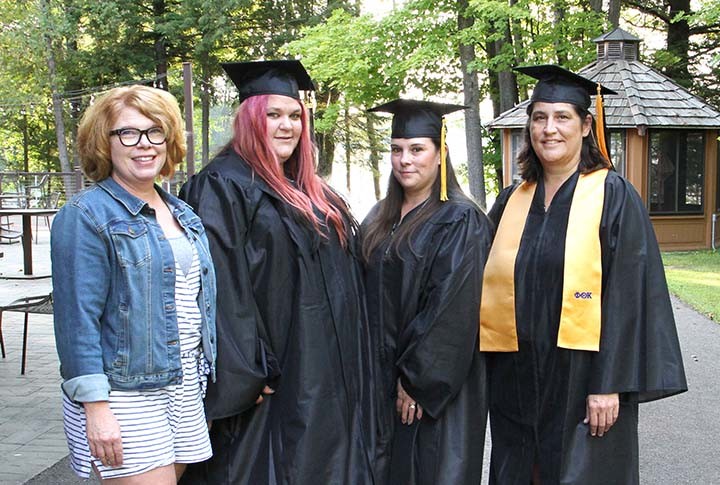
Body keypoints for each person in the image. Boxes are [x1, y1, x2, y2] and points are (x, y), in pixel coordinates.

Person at [480, 64, 688, 485]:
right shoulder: (510, 202)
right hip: (516, 383)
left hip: (582, 382)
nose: (549, 129)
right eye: (540, 117)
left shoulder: (612, 196)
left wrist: (609, 384)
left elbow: (629, 296)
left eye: (562, 118)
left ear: (586, 124)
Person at [178, 60, 375, 485]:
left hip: (325, 373)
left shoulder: (313, 190)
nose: (286, 126)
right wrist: (248, 369)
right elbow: (219, 287)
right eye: (273, 115)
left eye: (294, 116)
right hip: (273, 380)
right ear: (249, 119)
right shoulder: (222, 185)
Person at [51, 85, 217, 483]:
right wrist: (96, 408)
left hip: (182, 385)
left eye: (154, 131)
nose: (144, 144)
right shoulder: (85, 216)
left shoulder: (183, 213)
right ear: (104, 143)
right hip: (123, 394)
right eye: (127, 133)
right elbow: (77, 321)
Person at [362, 99, 492, 485]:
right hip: (383, 383)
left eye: (417, 149)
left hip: (433, 391)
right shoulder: (378, 217)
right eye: (397, 149)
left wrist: (418, 381)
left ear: (440, 153)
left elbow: (453, 308)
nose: (405, 160)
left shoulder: (460, 219)